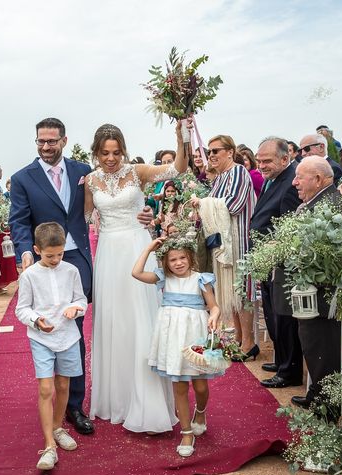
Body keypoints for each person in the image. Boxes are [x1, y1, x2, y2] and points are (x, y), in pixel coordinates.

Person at [85, 123, 188, 433]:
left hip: (136, 246)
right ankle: (117, 398)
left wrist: (181, 137)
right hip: (108, 254)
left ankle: (148, 401)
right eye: (105, 153)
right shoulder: (89, 181)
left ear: (124, 150)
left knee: (142, 320)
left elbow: (177, 170)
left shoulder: (138, 172)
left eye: (116, 152)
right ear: (96, 153)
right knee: (115, 322)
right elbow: (86, 217)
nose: (111, 159)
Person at [9, 117, 95, 435]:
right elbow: (18, 221)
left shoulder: (83, 171)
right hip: (43, 260)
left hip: (77, 258)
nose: (46, 147)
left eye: (51, 141)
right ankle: (52, 392)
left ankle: (74, 404)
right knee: (48, 321)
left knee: (75, 326)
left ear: (64, 140)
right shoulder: (22, 179)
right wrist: (25, 253)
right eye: (40, 142)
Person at [132, 234, 220, 457]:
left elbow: (214, 306)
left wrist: (213, 317)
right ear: (165, 262)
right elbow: (136, 273)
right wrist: (150, 247)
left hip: (196, 335)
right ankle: (186, 432)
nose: (178, 263)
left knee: (200, 385)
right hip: (172, 336)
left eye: (182, 257)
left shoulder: (201, 279)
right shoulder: (163, 278)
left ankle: (200, 412)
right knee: (179, 385)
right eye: (173, 259)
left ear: (190, 257)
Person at [15, 222, 87, 470]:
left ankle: (57, 427)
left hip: (68, 336)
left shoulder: (71, 271)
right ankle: (49, 446)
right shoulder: (29, 276)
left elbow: (81, 299)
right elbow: (21, 309)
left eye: (60, 254)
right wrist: (36, 320)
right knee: (46, 388)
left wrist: (75, 308)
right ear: (36, 249)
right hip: (41, 338)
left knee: (63, 384)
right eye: (49, 255)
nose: (56, 259)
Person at [284, 156, 342, 408]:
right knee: (313, 348)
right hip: (313, 293)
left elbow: (330, 255)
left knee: (325, 352)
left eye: (300, 177)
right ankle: (317, 398)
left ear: (319, 179)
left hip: (325, 295)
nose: (294, 182)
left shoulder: (331, 205)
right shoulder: (317, 202)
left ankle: (327, 410)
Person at [191, 135, 257, 360]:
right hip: (225, 241)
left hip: (240, 241)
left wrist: (203, 203)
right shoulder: (220, 177)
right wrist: (200, 205)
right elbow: (213, 202)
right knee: (230, 291)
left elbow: (234, 205)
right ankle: (238, 339)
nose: (211, 156)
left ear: (230, 152)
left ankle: (249, 343)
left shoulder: (238, 172)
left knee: (242, 291)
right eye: (209, 152)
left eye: (216, 151)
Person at [250, 138, 302, 387]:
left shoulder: (291, 182)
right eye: (259, 160)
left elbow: (288, 227)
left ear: (285, 158)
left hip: (280, 262)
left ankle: (289, 370)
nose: (261, 165)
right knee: (272, 315)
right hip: (265, 260)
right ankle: (281, 359)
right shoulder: (274, 179)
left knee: (284, 318)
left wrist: (272, 253)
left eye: (267, 160)